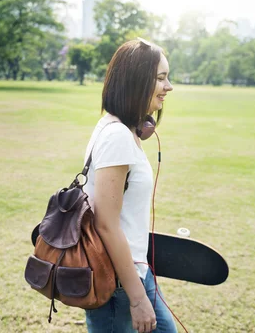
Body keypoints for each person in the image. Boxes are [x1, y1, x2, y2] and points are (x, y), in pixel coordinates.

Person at [82, 38, 176, 333]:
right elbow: (106, 224)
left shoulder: (122, 129)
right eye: (161, 78)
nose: (169, 87)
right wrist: (137, 298)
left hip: (135, 273)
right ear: (136, 82)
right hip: (118, 282)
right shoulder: (117, 137)